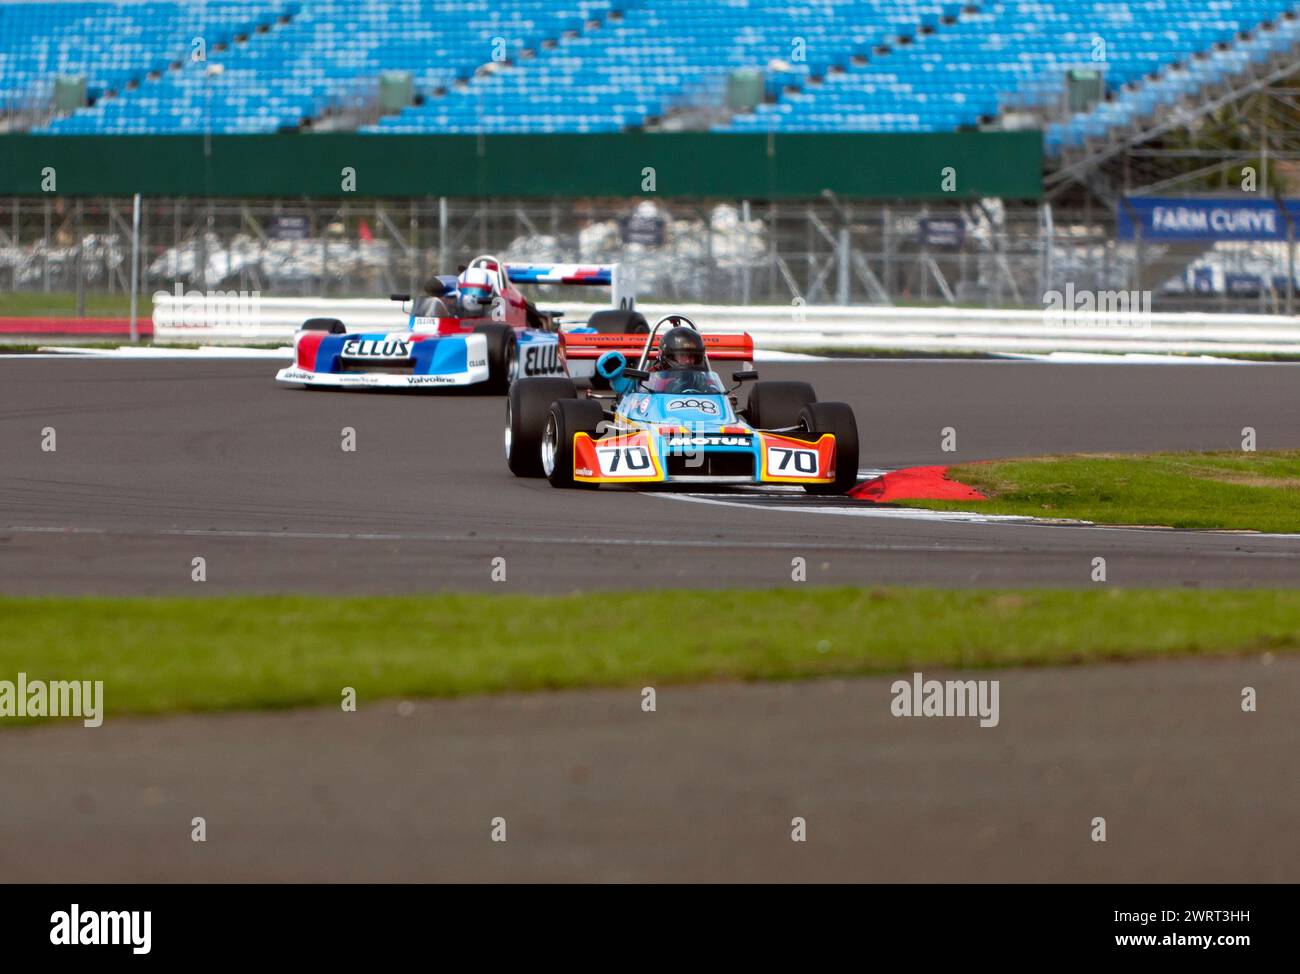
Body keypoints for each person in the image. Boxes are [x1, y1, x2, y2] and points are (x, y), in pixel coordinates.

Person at [648, 325, 720, 393]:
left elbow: (717, 398)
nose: (688, 361)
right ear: (669, 356)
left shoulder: (702, 379)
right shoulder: (652, 379)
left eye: (692, 356)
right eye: (682, 356)